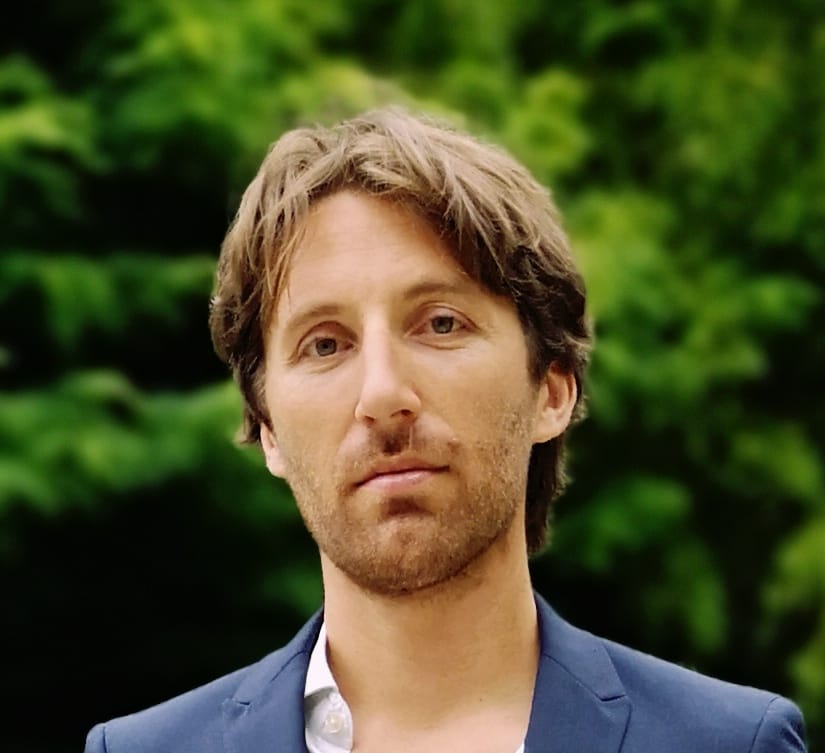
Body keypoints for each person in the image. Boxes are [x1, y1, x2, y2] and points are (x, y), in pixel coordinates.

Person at [84, 108, 807, 753]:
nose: (382, 395)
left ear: (551, 388)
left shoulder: (727, 742)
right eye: (325, 344)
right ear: (267, 427)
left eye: (439, 323)